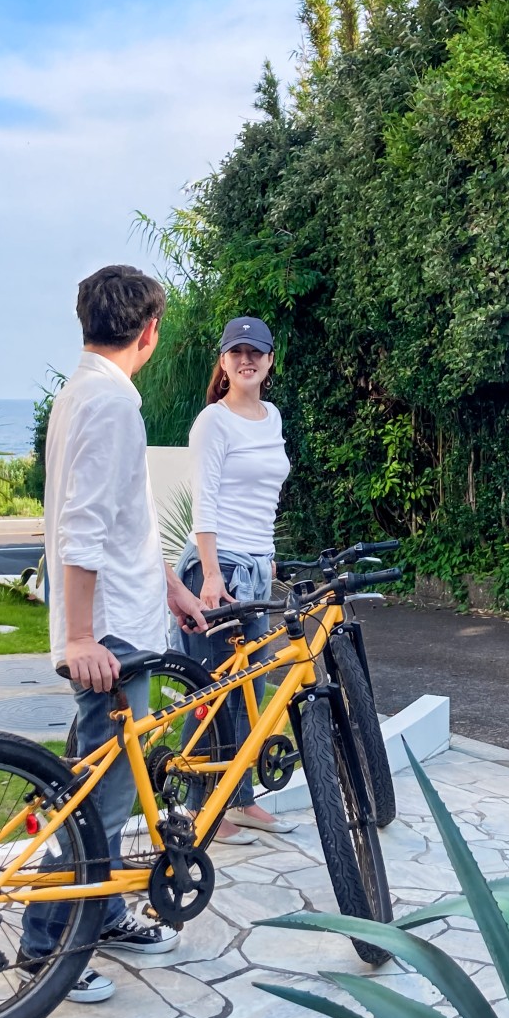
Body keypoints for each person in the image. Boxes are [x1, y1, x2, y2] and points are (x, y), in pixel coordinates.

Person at [21, 265, 208, 1003]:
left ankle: (98, 914)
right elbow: (83, 531)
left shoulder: (88, 395)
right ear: (150, 330)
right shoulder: (107, 406)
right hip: (109, 641)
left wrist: (170, 586)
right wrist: (79, 639)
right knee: (102, 800)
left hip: (126, 621)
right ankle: (46, 945)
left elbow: (125, 515)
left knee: (98, 788)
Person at [176, 316, 293, 842]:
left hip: (255, 567)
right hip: (216, 567)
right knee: (213, 689)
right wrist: (209, 574)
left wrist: (268, 558)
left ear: (270, 362)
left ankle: (239, 800)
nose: (247, 360)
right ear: (223, 363)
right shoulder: (212, 422)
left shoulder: (272, 418)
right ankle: (200, 808)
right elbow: (205, 503)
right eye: (236, 352)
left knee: (251, 686)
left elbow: (264, 497)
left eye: (257, 352)